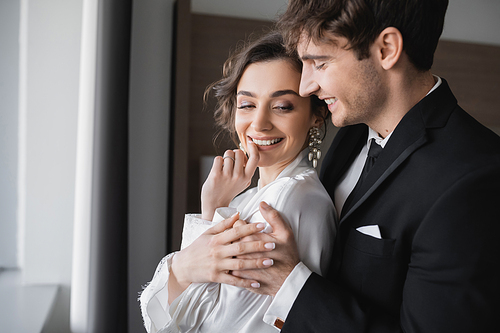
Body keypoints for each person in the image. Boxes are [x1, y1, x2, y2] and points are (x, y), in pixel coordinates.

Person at [222, 0, 500, 331]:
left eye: (320, 63)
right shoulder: (352, 130)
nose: (306, 86)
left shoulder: (475, 176)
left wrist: (291, 285)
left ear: (387, 49)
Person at [139, 31, 336, 332]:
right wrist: (212, 207)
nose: (259, 124)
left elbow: (193, 325)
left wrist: (181, 270)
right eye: (247, 105)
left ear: (316, 116)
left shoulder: (287, 202)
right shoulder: (252, 198)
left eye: (282, 106)